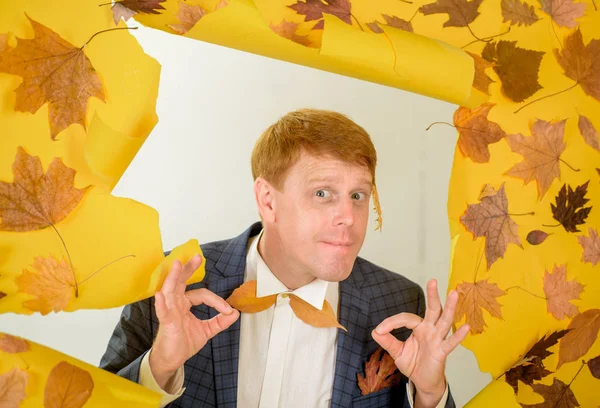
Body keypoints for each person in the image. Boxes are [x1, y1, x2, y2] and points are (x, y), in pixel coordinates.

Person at [100, 109, 469, 408]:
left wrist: (430, 395)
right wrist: (160, 366)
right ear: (268, 201)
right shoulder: (172, 282)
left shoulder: (398, 302)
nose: (349, 217)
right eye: (323, 192)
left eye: (358, 195)